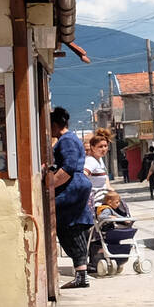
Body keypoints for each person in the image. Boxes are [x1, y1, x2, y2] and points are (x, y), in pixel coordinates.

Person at [44, 106, 94, 289]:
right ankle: (81, 273)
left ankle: (82, 274)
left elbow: (69, 167)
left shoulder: (66, 140)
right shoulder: (69, 138)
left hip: (71, 188)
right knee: (73, 227)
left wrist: (49, 186)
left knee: (69, 227)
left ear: (56, 125)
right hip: (74, 187)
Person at [84, 130, 112, 196]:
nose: (104, 149)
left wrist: (109, 187)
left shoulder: (99, 159)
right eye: (100, 147)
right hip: (94, 201)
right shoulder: (91, 161)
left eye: (105, 146)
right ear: (93, 148)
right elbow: (82, 176)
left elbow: (105, 176)